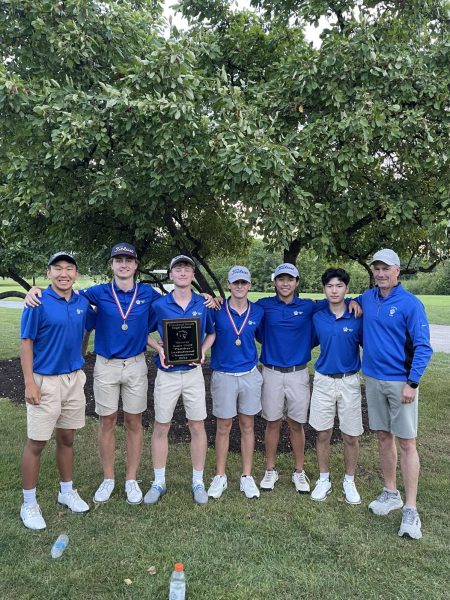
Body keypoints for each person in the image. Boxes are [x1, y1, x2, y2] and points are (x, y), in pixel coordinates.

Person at [24, 243, 161, 505]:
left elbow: (177, 301)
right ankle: (108, 478)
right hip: (106, 365)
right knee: (106, 422)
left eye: (129, 260)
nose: (124, 264)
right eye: (118, 260)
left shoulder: (148, 293)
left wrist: (207, 298)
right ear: (111, 265)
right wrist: (35, 290)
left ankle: (131, 479)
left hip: (135, 365)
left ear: (136, 265)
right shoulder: (95, 294)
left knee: (134, 423)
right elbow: (63, 294)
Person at [257, 263, 361, 493]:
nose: (285, 284)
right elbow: (242, 310)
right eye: (281, 279)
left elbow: (339, 299)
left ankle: (299, 471)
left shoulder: (309, 307)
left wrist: (356, 300)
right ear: (275, 282)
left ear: (296, 282)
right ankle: (270, 470)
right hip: (271, 372)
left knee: (296, 423)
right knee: (272, 422)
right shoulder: (264, 305)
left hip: (299, 373)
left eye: (290, 279)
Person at [358, 249, 432, 539]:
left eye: (386, 268)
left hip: (401, 383)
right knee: (383, 436)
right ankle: (391, 492)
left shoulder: (410, 304)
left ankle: (411, 509)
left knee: (407, 443)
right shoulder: (367, 299)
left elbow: (423, 347)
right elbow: (348, 305)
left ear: (397, 270)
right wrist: (351, 304)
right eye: (376, 268)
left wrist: (412, 383)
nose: (380, 273)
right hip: (373, 380)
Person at [20, 252, 95, 530]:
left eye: (69, 268)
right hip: (44, 380)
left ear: (76, 273)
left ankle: (66, 492)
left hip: (73, 379)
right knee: (37, 442)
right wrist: (29, 382)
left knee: (67, 438)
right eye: (58, 268)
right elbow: (26, 343)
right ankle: (29, 503)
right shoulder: (37, 301)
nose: (64, 273)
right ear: (49, 272)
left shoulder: (82, 302)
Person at [144, 255, 215, 506]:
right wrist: (158, 348)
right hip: (167, 374)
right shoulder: (159, 304)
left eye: (187, 269)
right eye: (178, 269)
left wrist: (203, 350)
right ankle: (159, 482)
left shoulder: (204, 304)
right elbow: (143, 331)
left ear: (193, 275)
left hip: (193, 374)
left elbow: (212, 332)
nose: (183, 273)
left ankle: (198, 481)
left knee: (197, 426)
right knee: (162, 426)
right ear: (171, 275)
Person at [205, 266, 264, 500]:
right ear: (228, 285)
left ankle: (247, 476)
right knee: (223, 426)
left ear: (250, 285)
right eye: (235, 283)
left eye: (244, 283)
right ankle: (220, 475)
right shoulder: (217, 310)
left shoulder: (258, 311)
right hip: (223, 374)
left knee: (248, 426)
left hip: (249, 374)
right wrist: (209, 298)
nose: (239, 287)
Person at [309, 268, 363, 504]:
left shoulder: (357, 316)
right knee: (323, 433)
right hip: (323, 381)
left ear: (346, 289)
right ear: (324, 290)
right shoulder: (318, 316)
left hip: (349, 381)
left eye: (339, 286)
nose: (334, 290)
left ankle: (349, 481)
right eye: (329, 286)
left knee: (350, 435)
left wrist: (356, 302)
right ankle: (324, 479)